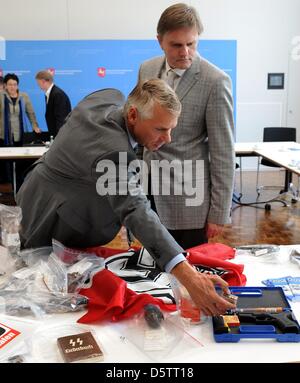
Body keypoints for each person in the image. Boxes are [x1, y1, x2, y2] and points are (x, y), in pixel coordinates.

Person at [16, 79, 235, 316]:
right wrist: (188, 276)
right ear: (132, 115)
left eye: (171, 128)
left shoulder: (107, 96)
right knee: (42, 287)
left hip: (39, 186)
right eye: (161, 129)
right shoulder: (114, 151)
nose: (168, 138)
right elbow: (135, 210)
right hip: (51, 218)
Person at [138, 3, 235, 250]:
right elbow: (139, 128)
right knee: (149, 273)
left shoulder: (216, 81)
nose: (185, 52)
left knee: (188, 279)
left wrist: (219, 213)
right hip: (147, 194)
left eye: (191, 44)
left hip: (189, 203)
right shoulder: (147, 69)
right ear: (160, 41)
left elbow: (223, 152)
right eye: (176, 45)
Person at [0, 73, 41, 186]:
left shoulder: (24, 96)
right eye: (10, 84)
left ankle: (19, 185)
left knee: (20, 163)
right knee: (5, 164)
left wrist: (35, 126)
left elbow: (30, 112)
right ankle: (7, 186)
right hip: (4, 135)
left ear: (17, 85)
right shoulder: (1, 96)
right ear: (5, 85)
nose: (12, 87)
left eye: (15, 84)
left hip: (20, 135)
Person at [35, 70, 71, 138]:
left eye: (38, 83)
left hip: (60, 136)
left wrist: (58, 139)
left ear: (43, 81)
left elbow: (61, 119)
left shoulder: (57, 94)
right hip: (55, 135)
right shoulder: (50, 94)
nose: (38, 85)